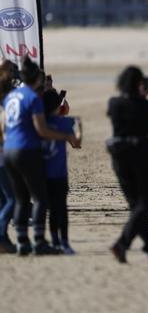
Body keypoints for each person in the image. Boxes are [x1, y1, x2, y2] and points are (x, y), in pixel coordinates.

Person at [3, 58, 80, 256]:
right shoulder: (33, 98)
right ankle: (38, 241)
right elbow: (42, 130)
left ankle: (22, 242)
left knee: (20, 198)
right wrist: (66, 136)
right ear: (37, 79)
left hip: (8, 150)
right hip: (25, 150)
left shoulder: (12, 96)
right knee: (40, 198)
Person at [107, 66, 148, 263]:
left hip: (120, 156)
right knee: (145, 203)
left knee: (136, 205)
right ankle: (122, 243)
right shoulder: (146, 105)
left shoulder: (114, 103)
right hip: (142, 154)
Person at [42, 90, 82, 255]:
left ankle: (54, 241)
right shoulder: (64, 123)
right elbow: (76, 144)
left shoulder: (39, 122)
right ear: (58, 107)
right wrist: (80, 128)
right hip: (59, 173)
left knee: (51, 210)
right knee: (62, 209)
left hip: (43, 174)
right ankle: (64, 242)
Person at [0, 68, 16, 253]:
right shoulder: (5, 107)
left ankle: (3, 238)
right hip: (3, 158)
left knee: (5, 199)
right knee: (13, 199)